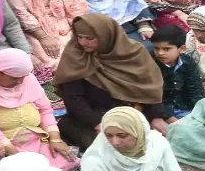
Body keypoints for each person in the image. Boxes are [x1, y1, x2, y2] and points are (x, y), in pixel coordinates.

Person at [54, 14, 166, 150]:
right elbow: (73, 98)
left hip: (133, 113)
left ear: (106, 35)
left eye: (89, 38)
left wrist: (157, 116)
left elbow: (150, 87)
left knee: (155, 143)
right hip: (95, 117)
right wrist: (98, 124)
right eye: (79, 37)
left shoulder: (134, 52)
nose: (83, 43)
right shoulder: (76, 56)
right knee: (109, 149)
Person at [81, 106, 184, 171]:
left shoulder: (156, 144)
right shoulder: (96, 160)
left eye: (122, 135)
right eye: (108, 136)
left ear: (139, 132)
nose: (115, 142)